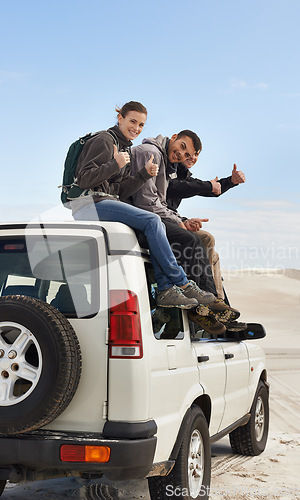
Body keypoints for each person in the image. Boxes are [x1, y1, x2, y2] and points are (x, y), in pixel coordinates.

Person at [65, 101, 224, 330]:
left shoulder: (123, 147)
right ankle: (179, 282)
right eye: (132, 121)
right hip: (88, 204)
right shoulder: (103, 140)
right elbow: (85, 179)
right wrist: (115, 164)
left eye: (141, 124)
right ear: (120, 117)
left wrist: (142, 174)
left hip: (105, 201)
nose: (136, 128)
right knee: (152, 220)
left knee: (152, 227)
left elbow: (118, 191)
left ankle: (166, 289)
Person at [128, 131, 240, 331]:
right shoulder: (156, 156)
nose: (186, 156)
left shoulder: (171, 163)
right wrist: (182, 219)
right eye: (184, 150)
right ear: (174, 137)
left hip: (160, 217)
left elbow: (197, 189)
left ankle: (216, 304)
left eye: (192, 155)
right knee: (193, 241)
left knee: (210, 251)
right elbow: (176, 189)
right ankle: (202, 305)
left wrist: (228, 183)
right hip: (147, 218)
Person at [167, 150, 246, 299]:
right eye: (189, 152)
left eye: (196, 154)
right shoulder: (169, 171)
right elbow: (178, 187)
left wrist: (231, 181)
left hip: (172, 219)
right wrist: (207, 186)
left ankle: (219, 303)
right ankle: (209, 299)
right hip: (163, 221)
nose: (193, 157)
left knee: (213, 256)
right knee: (207, 238)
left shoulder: (183, 174)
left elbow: (206, 189)